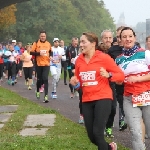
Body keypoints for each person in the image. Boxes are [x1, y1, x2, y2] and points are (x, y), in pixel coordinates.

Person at [70, 32, 124, 150]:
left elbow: (120, 75)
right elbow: (79, 83)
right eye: (80, 42)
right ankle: (110, 148)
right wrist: (75, 83)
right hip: (87, 99)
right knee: (92, 137)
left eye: (83, 42)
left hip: (103, 98)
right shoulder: (79, 60)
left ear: (93, 43)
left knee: (98, 134)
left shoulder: (103, 58)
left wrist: (108, 75)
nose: (80, 44)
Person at [116, 27, 150, 150]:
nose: (127, 39)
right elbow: (118, 79)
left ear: (134, 38)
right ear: (120, 40)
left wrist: (138, 79)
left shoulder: (145, 53)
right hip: (129, 98)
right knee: (136, 133)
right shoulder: (119, 59)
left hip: (147, 95)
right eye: (124, 37)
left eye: (130, 36)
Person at [108, 26, 127, 131]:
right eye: (118, 36)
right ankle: (108, 126)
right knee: (113, 106)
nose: (119, 39)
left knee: (125, 103)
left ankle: (122, 121)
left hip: (128, 82)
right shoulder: (112, 50)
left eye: (122, 36)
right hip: (114, 81)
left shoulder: (134, 49)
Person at [30, 30, 52, 103]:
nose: (43, 37)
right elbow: (31, 52)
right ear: (40, 36)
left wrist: (51, 56)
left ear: (46, 36)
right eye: (42, 36)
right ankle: (37, 90)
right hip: (38, 64)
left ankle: (46, 96)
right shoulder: (36, 43)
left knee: (45, 79)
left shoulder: (48, 43)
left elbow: (50, 52)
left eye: (44, 36)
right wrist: (39, 53)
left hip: (46, 64)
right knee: (39, 79)